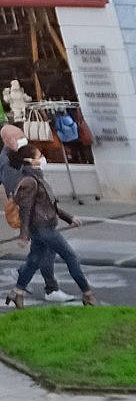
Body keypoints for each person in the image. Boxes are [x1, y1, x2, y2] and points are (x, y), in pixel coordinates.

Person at [5, 147, 93, 309]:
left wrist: (69, 218)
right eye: (40, 156)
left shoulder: (36, 178)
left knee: (33, 261)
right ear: (30, 161)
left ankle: (17, 293)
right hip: (43, 229)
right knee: (70, 257)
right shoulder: (29, 182)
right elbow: (26, 210)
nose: (43, 158)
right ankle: (87, 294)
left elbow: (49, 205)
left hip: (43, 227)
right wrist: (23, 235)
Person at [2, 125, 62, 301]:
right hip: (35, 215)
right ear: (9, 140)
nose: (23, 139)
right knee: (48, 249)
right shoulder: (8, 161)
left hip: (39, 212)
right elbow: (17, 190)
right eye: (20, 137)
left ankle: (22, 279)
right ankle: (51, 289)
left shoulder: (19, 157)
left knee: (39, 251)